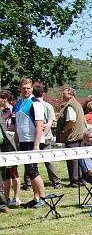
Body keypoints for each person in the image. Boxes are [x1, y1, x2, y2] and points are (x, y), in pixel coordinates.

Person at [11, 78, 49, 208]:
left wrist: (36, 145)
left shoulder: (35, 103)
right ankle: (36, 198)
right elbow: (17, 126)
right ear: (20, 88)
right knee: (29, 170)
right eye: (24, 88)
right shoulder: (18, 103)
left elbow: (40, 125)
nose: (26, 90)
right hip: (23, 141)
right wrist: (15, 142)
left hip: (33, 141)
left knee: (31, 170)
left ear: (32, 88)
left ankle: (43, 198)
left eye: (28, 88)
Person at [56, 85, 86, 187]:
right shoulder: (77, 104)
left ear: (70, 94)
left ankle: (75, 181)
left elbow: (72, 120)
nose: (62, 95)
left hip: (73, 137)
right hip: (79, 136)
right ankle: (80, 180)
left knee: (73, 161)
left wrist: (64, 130)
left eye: (64, 93)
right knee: (78, 160)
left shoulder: (70, 106)